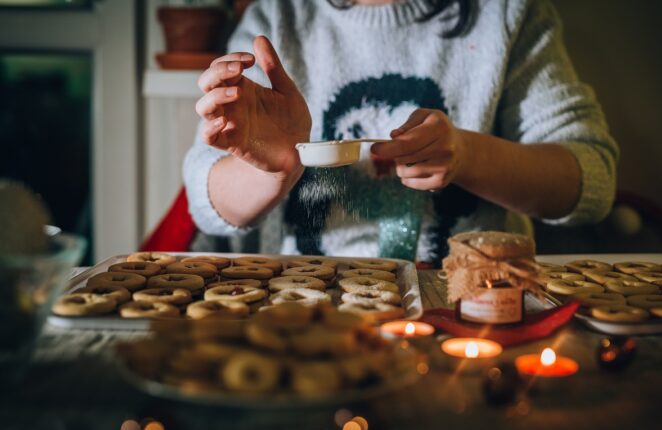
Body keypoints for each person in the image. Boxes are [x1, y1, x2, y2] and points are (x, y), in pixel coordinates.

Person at [183, 0, 618, 266]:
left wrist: (467, 155)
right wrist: (273, 171)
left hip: (472, 310)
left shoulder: (507, 13)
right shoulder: (277, 17)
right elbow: (207, 199)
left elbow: (590, 181)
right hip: (308, 313)